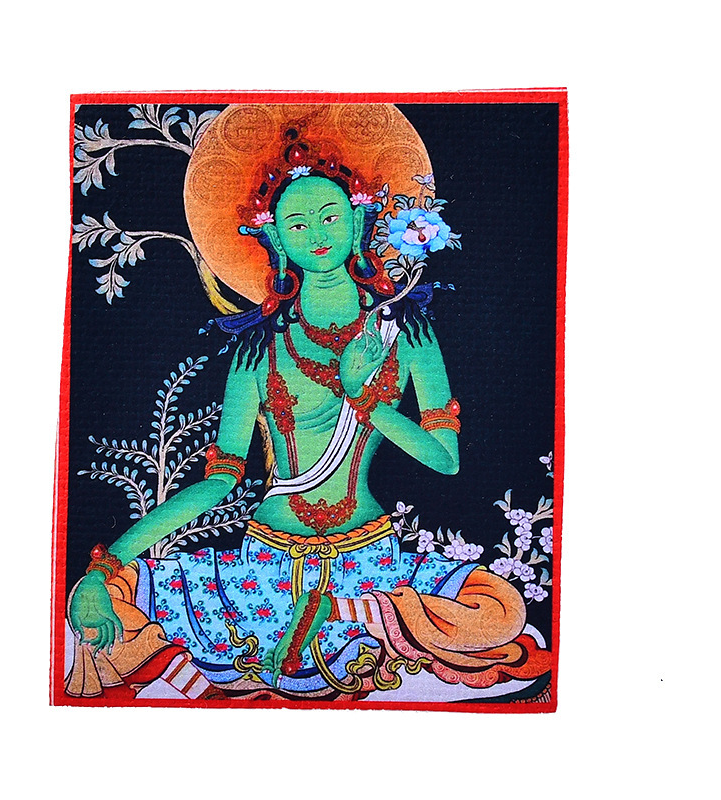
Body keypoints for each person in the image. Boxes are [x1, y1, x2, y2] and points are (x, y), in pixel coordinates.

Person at [66, 114, 550, 701]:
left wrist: (366, 399)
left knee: (501, 611)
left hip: (369, 563)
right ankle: (306, 632)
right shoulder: (258, 351)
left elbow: (446, 460)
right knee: (102, 615)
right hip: (263, 568)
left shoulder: (408, 335)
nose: (316, 232)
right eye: (296, 223)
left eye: (330, 216)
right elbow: (219, 483)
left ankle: (342, 612)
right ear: (275, 239)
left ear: (360, 221)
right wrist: (105, 566)